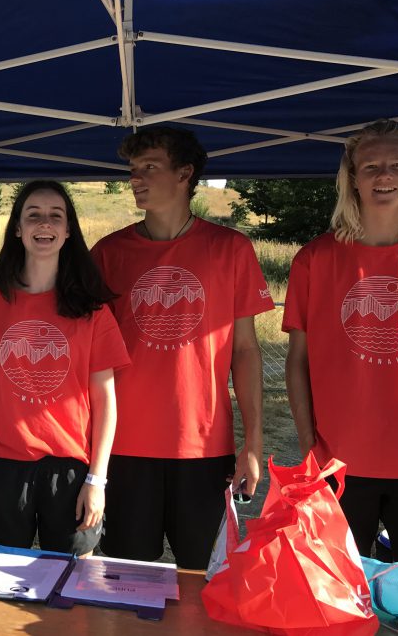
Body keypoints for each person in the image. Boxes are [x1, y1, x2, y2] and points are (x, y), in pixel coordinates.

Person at [284, 119, 398, 559]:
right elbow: (297, 362)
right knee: (330, 609)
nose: (384, 176)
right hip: (339, 465)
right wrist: (310, 444)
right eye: (371, 167)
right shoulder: (315, 259)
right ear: (352, 178)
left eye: (397, 165)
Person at [91, 126, 272, 569]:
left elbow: (246, 352)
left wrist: (253, 441)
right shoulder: (108, 254)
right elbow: (90, 359)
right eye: (133, 170)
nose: (136, 179)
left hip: (203, 447)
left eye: (149, 167)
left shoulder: (230, 249)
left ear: (185, 174)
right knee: (127, 578)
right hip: (125, 446)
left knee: (205, 578)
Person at [0, 180, 129, 555]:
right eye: (33, 215)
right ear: (17, 228)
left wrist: (97, 479)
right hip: (1, 464)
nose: (44, 224)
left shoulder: (93, 312)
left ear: (68, 231)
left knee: (72, 578)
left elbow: (105, 400)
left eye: (55, 216)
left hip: (70, 466)